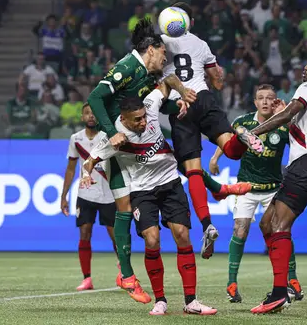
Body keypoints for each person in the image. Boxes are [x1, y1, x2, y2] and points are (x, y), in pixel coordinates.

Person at [81, 84, 217, 316]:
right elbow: (90, 161)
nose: (144, 123)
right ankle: (160, 300)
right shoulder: (116, 138)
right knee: (152, 240)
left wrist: (181, 92)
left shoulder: (150, 107)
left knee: (182, 235)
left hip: (171, 183)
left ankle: (191, 301)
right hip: (142, 192)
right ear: (123, 119)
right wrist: (85, 176)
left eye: (144, 118)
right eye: (137, 120)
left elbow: (165, 83)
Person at [86, 18, 195, 304]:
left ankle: (126, 275)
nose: (165, 60)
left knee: (128, 205)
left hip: (134, 142)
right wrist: (110, 133)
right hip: (116, 141)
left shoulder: (147, 76)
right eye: (163, 55)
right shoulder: (127, 67)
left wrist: (176, 105)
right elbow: (95, 98)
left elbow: (152, 103)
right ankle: (126, 274)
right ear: (151, 50)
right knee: (123, 206)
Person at [161, 1, 266, 260]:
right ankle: (240, 135)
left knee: (192, 170)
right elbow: (218, 81)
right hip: (204, 98)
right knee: (231, 149)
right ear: (190, 23)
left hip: (180, 105)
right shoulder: (201, 44)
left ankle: (207, 224)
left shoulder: (160, 42)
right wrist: (219, 73)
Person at [239, 51, 307, 314]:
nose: (305, 67)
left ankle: (280, 293)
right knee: (266, 223)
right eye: (306, 62)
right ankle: (281, 287)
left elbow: (285, 118)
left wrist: (252, 133)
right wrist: (289, 115)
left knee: (279, 224)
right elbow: (301, 126)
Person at [206, 85, 303, 303]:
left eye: (270, 98)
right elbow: (228, 141)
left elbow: (300, 143)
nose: (266, 102)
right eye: (261, 98)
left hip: (274, 188)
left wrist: (286, 117)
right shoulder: (243, 123)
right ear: (255, 102)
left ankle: (293, 280)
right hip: (247, 187)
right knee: (240, 230)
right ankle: (232, 284)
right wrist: (214, 159)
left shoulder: (282, 124)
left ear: (276, 101)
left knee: (281, 231)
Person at [60, 103, 118, 292]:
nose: (91, 116)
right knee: (84, 233)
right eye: (87, 113)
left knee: (115, 235)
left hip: (109, 193)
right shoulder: (75, 139)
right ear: (82, 117)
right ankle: (87, 279)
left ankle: (124, 271)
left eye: (94, 113)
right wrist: (64, 196)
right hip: (85, 193)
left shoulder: (108, 137)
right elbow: (70, 168)